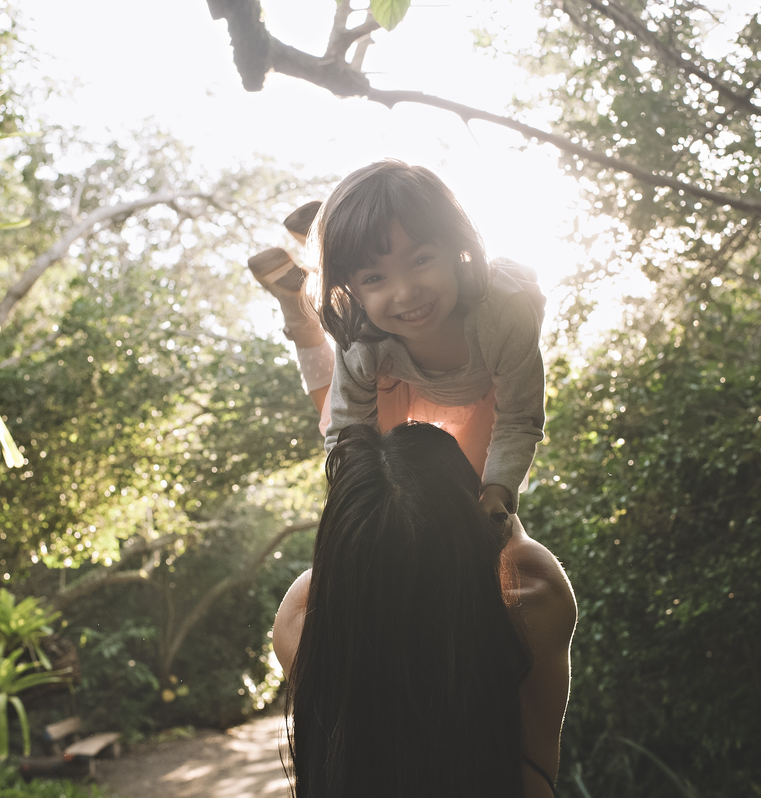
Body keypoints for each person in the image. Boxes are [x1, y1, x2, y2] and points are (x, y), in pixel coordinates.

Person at [272, 422, 577, 798]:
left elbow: (335, 574)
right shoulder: (534, 600)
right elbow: (505, 524)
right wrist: (493, 486)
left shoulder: (303, 624)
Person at [248, 160, 546, 520]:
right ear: (350, 289)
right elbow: (347, 431)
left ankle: (342, 242)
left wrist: (497, 492)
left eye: (421, 259)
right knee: (368, 449)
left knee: (469, 489)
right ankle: (305, 307)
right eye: (374, 278)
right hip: (394, 376)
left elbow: (518, 418)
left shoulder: (502, 312)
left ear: (456, 249)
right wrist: (357, 509)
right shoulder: (362, 336)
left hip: (485, 390)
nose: (406, 293)